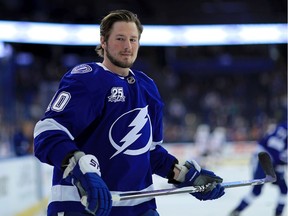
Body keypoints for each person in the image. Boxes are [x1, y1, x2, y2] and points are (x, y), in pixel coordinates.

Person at [33, 9, 225, 216]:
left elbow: (148, 152)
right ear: (103, 42)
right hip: (84, 207)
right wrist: (77, 165)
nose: (127, 46)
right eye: (120, 38)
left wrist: (186, 175)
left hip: (139, 208)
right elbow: (47, 134)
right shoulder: (87, 79)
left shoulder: (147, 87)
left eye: (133, 39)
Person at [229, 121, 287, 216]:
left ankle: (237, 210)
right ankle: (237, 210)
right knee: (263, 190)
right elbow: (280, 155)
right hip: (268, 159)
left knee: (258, 190)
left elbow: (265, 142)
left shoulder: (282, 125)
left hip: (263, 157)